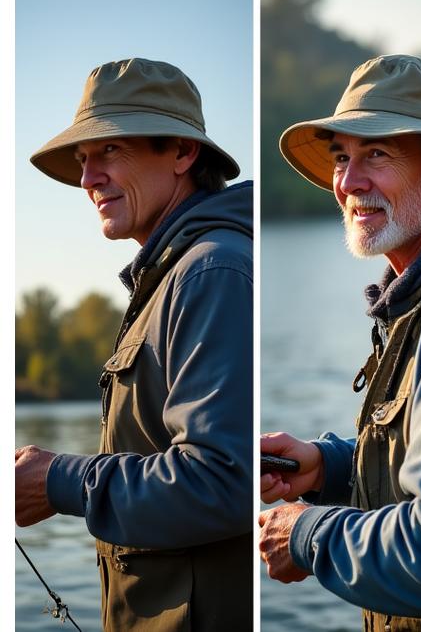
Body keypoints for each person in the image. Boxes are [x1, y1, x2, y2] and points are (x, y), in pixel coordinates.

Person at [258, 54, 421, 629]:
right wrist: (328, 468)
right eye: (342, 157)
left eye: (378, 155)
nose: (348, 182)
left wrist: (307, 532)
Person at [15, 58, 253, 629]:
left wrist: (59, 480)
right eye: (82, 159)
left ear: (181, 152)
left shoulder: (209, 272)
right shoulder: (176, 274)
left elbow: (223, 481)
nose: (88, 176)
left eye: (110, 151)